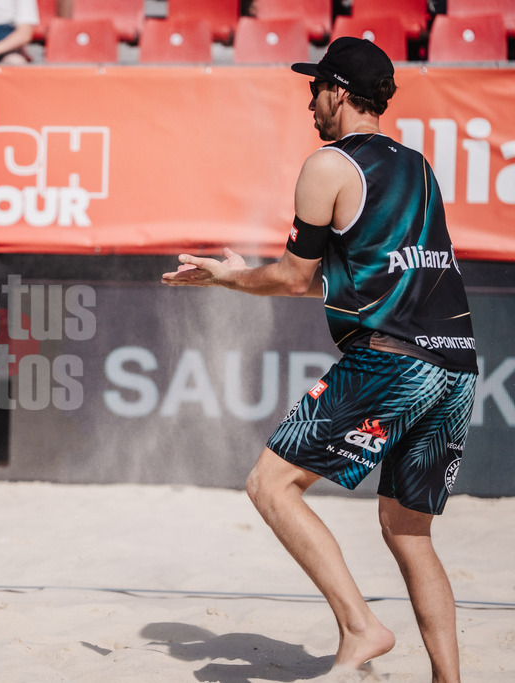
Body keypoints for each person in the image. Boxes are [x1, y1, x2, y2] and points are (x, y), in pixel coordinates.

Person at [163, 37, 477, 681]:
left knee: (269, 485)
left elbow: (288, 278)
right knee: (409, 532)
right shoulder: (418, 165)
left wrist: (229, 279)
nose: (308, 102)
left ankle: (361, 625)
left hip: (391, 359)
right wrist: (243, 274)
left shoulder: (328, 164)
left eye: (315, 89)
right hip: (456, 363)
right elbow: (336, 279)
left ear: (337, 90)